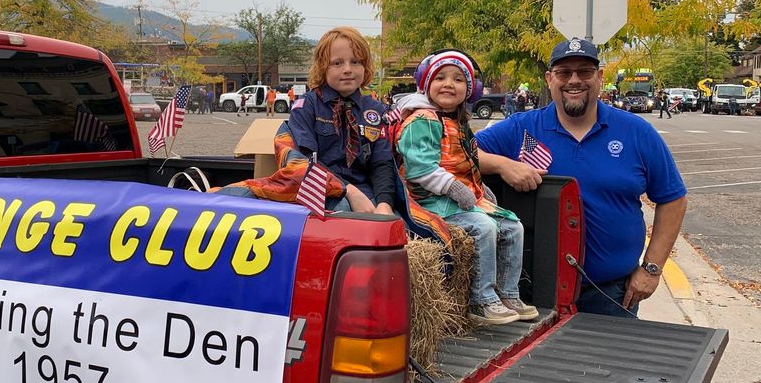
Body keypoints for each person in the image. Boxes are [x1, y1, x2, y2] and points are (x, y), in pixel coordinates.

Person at [475, 39, 687, 317]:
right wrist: (502, 164)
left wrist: (652, 268)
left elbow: (673, 199)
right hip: (531, 296)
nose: (574, 81)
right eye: (564, 73)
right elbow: (457, 154)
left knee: (610, 362)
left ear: (599, 77)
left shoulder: (636, 132)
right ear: (550, 79)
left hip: (612, 295)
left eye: (584, 72)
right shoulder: (521, 128)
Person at [395, 51, 536, 325]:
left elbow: (467, 162)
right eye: (440, 77)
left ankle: (507, 293)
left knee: (512, 226)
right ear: (425, 83)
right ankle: (481, 301)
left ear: (470, 90)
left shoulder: (456, 122)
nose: (449, 84)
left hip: (454, 199)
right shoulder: (421, 120)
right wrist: (456, 189)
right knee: (484, 227)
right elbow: (419, 168)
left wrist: (481, 191)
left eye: (458, 79)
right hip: (428, 203)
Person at [215, 27, 395, 215]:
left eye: (355, 62)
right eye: (337, 63)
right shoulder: (307, 106)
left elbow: (381, 163)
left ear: (365, 67)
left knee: (397, 219)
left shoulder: (375, 110)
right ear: (323, 67)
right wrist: (347, 190)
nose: (347, 69)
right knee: (341, 211)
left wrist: (385, 203)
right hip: (319, 189)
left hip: (365, 193)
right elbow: (305, 162)